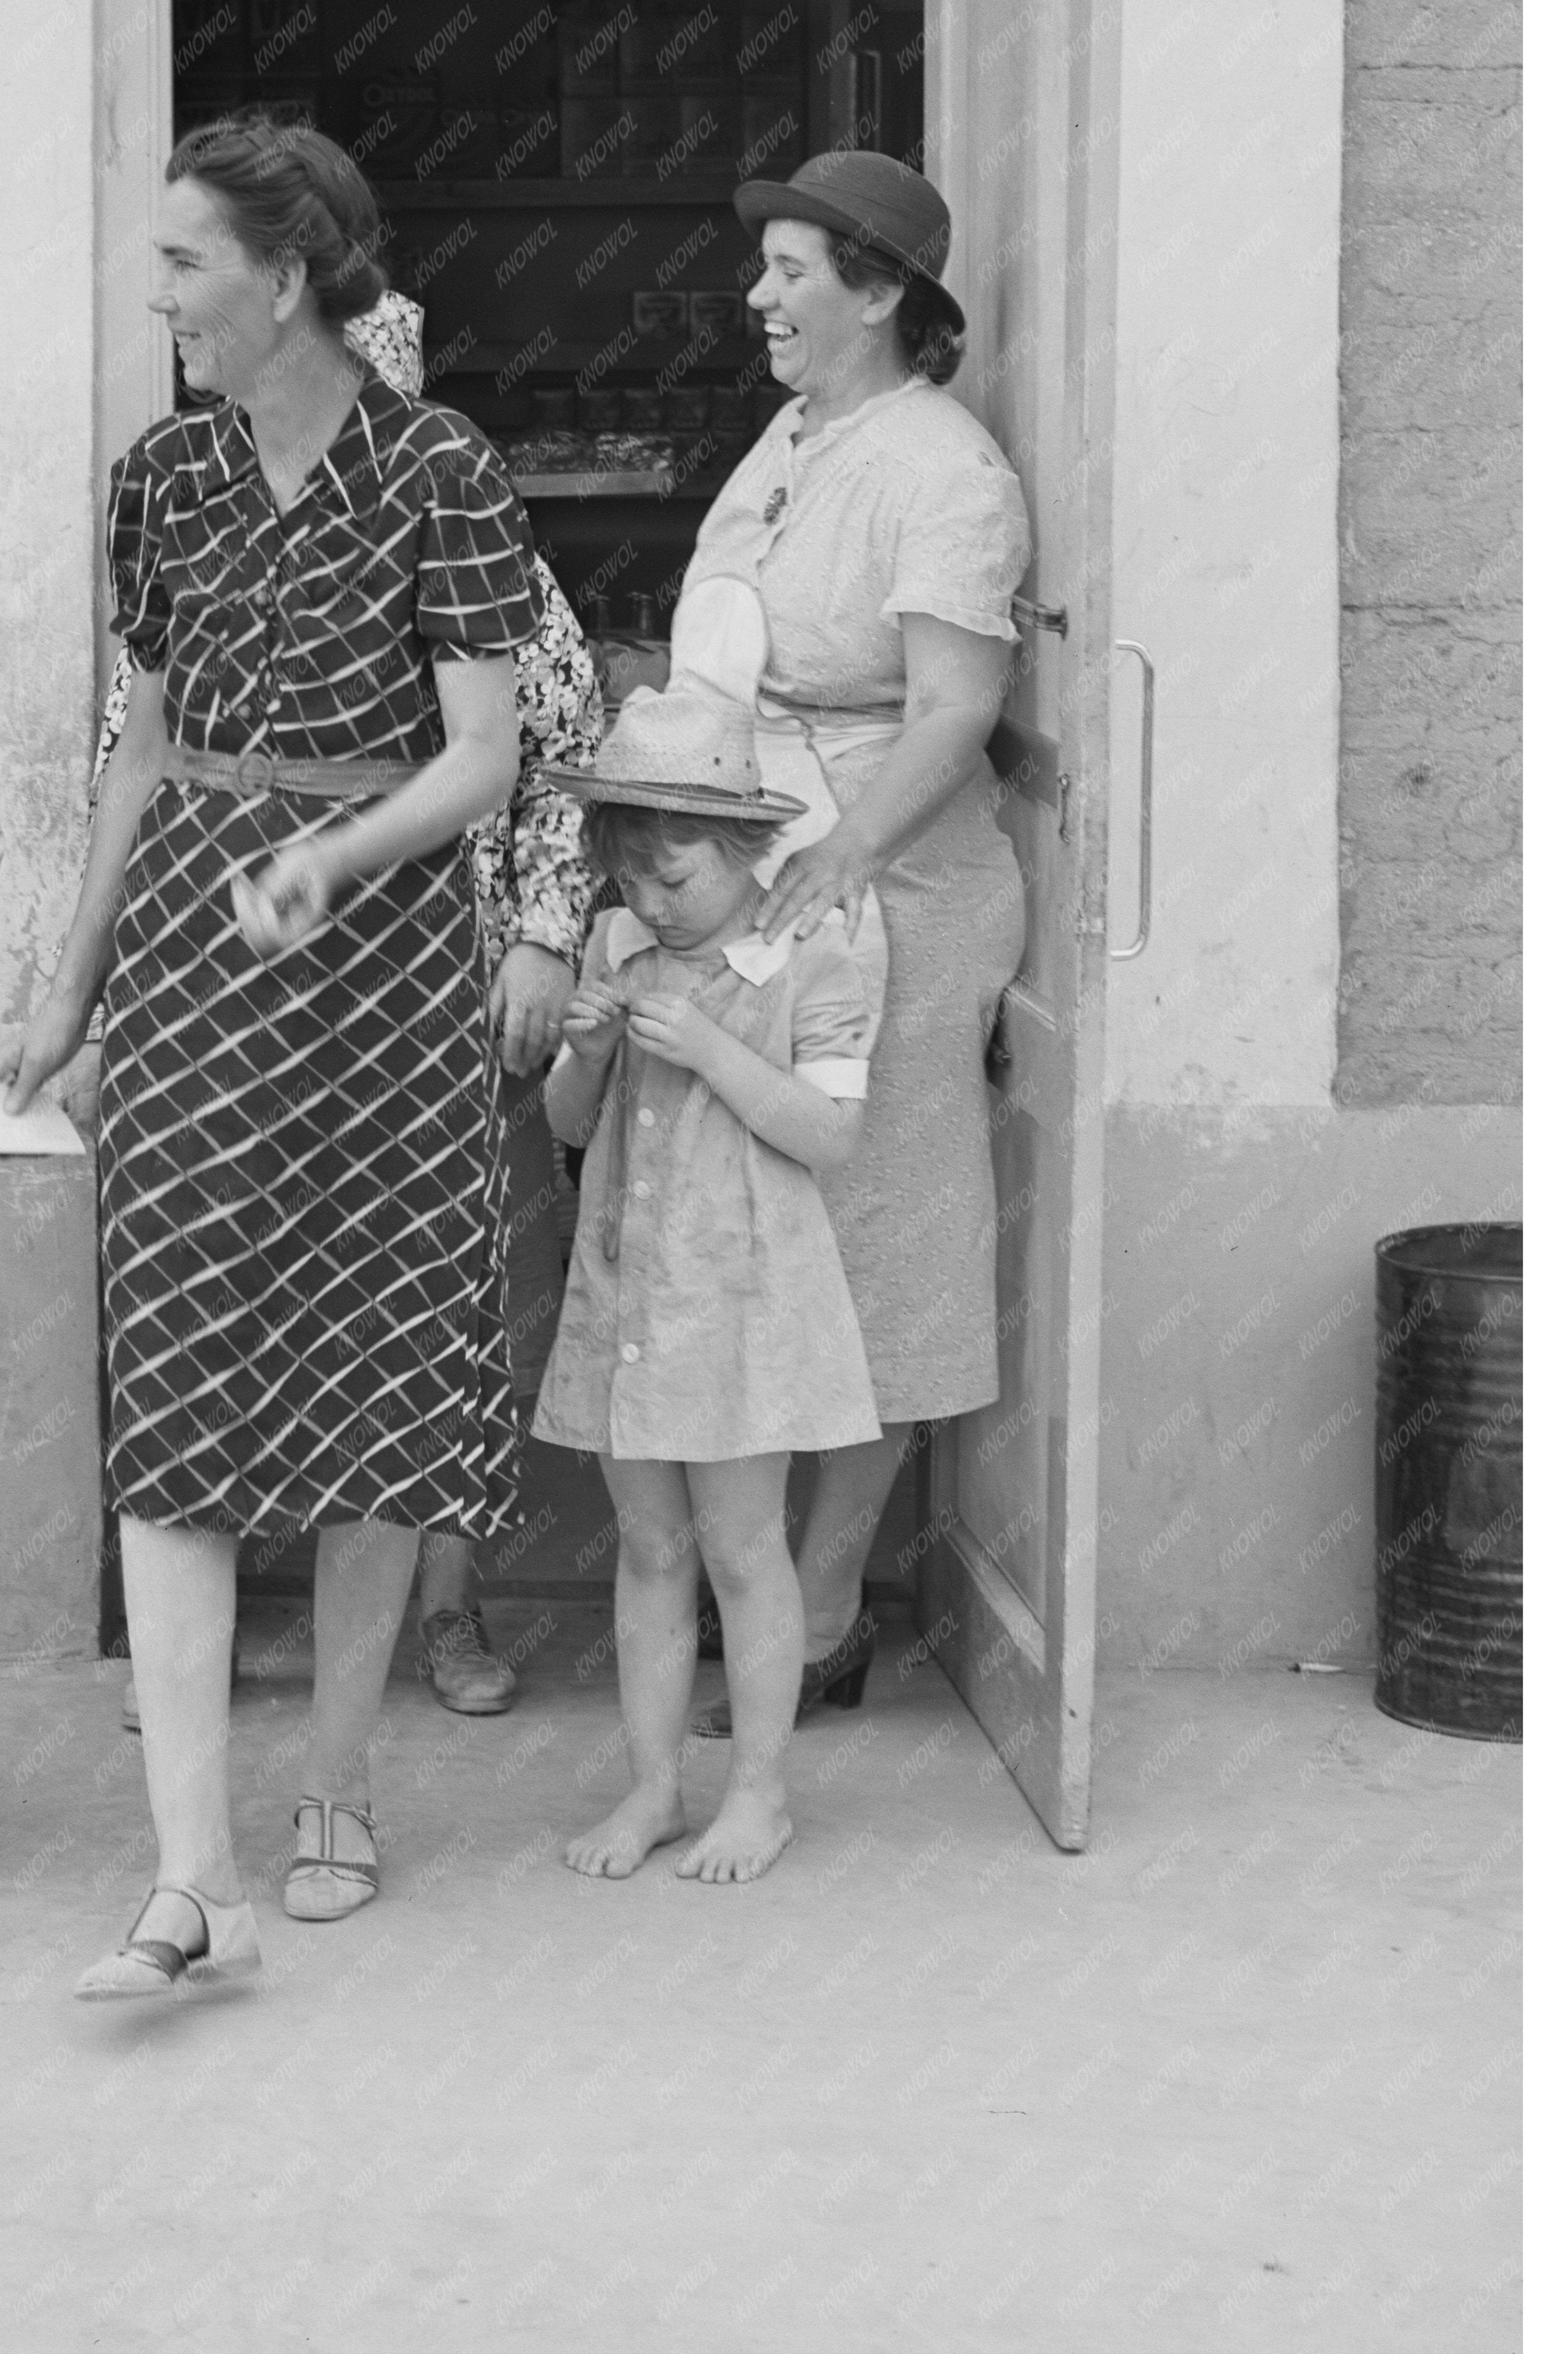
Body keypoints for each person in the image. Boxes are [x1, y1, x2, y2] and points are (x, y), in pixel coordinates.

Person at [6, 114, 540, 1997]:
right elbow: (136, 754)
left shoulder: (439, 467)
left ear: (289, 269)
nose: (155, 293)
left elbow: (485, 748)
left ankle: (334, 1783)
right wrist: (67, 991)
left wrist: (331, 848)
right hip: (190, 958)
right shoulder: (159, 475)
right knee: (181, 1371)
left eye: (180, 261)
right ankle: (189, 1871)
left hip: (380, 953)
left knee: (377, 1353)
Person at [90, 287, 604, 1726]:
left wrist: (544, 942)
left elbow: (555, 755)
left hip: (430, 988)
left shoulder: (467, 525)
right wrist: (100, 985)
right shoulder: (185, 516)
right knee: (220, 1295)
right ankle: (205, 1640)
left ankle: (442, 1610)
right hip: (225, 989)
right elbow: (122, 766)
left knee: (442, 1309)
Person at [669, 150, 1031, 1724]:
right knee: (758, 1215)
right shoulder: (793, 434)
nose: (758, 295)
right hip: (772, 857)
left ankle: (819, 1619)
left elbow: (954, 708)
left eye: (792, 270)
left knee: (876, 1228)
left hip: (884, 882)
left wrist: (839, 864)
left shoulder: (943, 469)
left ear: (879, 293)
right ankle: (757, 1582)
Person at [533, 679, 882, 1884]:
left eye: (673, 879)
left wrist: (714, 1049)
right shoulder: (620, 943)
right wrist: (583, 1054)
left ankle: (760, 1795)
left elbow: (830, 1137)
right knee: (648, 1546)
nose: (648, 901)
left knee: (742, 1550)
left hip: (744, 1301)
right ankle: (651, 1787)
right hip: (631, 1291)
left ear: (744, 847)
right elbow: (570, 1124)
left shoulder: (806, 955)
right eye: (628, 876)